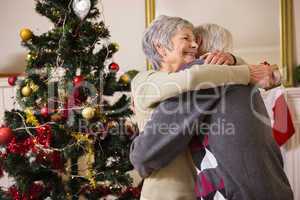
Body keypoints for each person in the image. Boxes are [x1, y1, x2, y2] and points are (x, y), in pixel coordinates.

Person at [130, 15, 292, 200]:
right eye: (187, 38)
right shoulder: (230, 81)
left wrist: (237, 63)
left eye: (196, 40)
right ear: (160, 47)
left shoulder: (215, 80)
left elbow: (143, 156)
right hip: (169, 193)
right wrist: (246, 69)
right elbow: (144, 155)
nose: (194, 46)